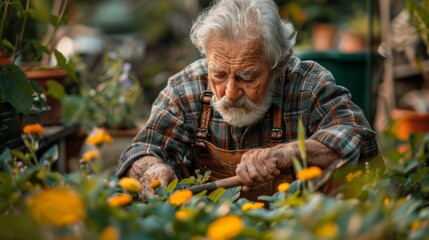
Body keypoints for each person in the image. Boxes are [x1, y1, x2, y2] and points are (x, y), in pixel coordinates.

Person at [115, 0, 379, 201]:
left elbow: (359, 138)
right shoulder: (187, 87)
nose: (229, 92)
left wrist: (289, 152)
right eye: (218, 74)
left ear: (279, 66)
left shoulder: (307, 84)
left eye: (246, 77)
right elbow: (141, 151)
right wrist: (151, 168)